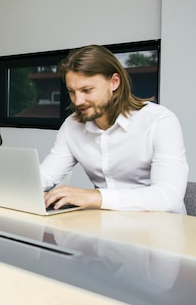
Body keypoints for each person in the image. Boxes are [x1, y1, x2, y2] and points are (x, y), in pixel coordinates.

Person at [41, 45, 188, 213]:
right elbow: (46, 175)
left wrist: (94, 197)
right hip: (105, 225)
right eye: (71, 92)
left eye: (87, 90)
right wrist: (18, 187)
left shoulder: (160, 121)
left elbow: (168, 197)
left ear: (114, 82)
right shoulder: (72, 126)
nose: (78, 101)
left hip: (162, 229)